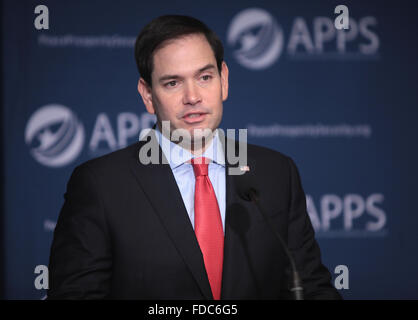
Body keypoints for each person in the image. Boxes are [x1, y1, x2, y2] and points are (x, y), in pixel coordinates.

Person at [47, 15, 341, 300]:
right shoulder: (101, 184)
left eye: (204, 77)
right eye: (173, 83)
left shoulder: (276, 173)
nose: (193, 96)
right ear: (147, 95)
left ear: (223, 80)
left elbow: (310, 287)